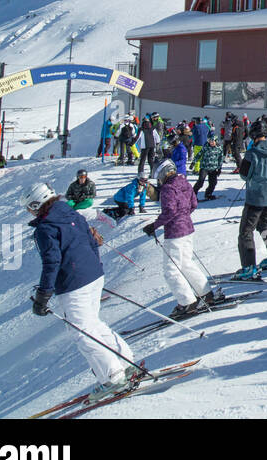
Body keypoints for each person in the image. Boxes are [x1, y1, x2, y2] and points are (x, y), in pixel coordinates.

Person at [23, 183, 139, 402]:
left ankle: (112, 377)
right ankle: (125, 363)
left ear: (36, 204)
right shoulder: (70, 212)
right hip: (92, 275)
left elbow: (52, 262)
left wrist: (43, 294)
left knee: (82, 332)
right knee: (93, 324)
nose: (29, 212)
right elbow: (91, 240)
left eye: (29, 208)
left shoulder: (46, 228)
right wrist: (93, 268)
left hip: (73, 283)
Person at [144, 161, 219, 316]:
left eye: (159, 177)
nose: (159, 180)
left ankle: (187, 302)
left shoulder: (167, 188)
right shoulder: (184, 182)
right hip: (188, 229)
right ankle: (206, 293)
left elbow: (170, 211)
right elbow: (194, 204)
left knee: (171, 270)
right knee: (186, 263)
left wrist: (154, 225)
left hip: (175, 233)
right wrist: (183, 217)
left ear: (164, 173)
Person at [233, 120, 267, 281]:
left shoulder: (252, 152)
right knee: (264, 224)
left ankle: (249, 266)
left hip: (256, 196)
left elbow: (244, 174)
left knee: (245, 231)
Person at [194, 134, 224, 199]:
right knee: (200, 181)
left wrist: (219, 168)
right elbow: (199, 155)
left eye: (213, 141)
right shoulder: (205, 147)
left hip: (213, 168)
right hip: (204, 167)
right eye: (210, 141)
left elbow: (221, 158)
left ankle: (208, 194)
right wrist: (193, 162)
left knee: (213, 183)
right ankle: (193, 194)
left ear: (216, 141)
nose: (211, 143)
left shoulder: (219, 148)